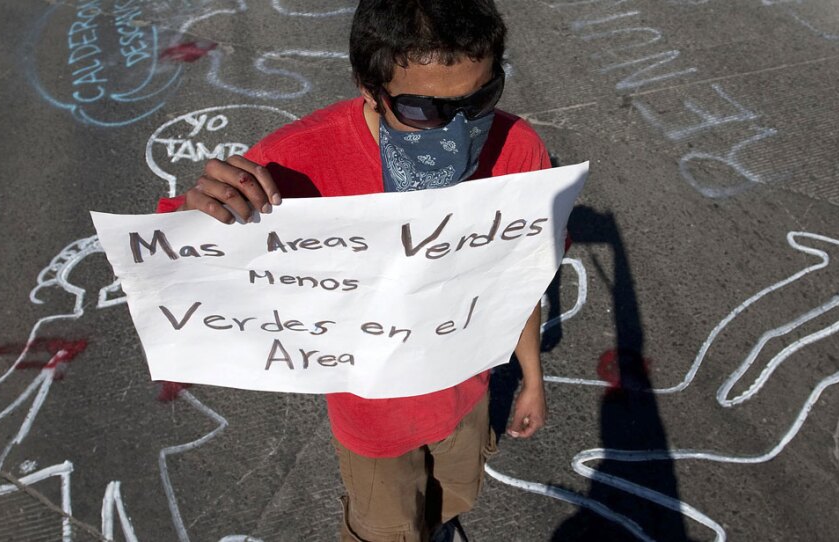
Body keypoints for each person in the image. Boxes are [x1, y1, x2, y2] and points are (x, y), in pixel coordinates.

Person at [157, 1, 550, 540]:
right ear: (368, 87)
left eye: (480, 98)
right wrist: (198, 212)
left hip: (467, 399)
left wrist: (531, 376)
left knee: (450, 502)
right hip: (374, 428)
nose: (456, 132)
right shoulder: (294, 165)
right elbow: (186, 263)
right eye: (421, 110)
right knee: (386, 528)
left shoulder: (518, 150)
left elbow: (520, 279)